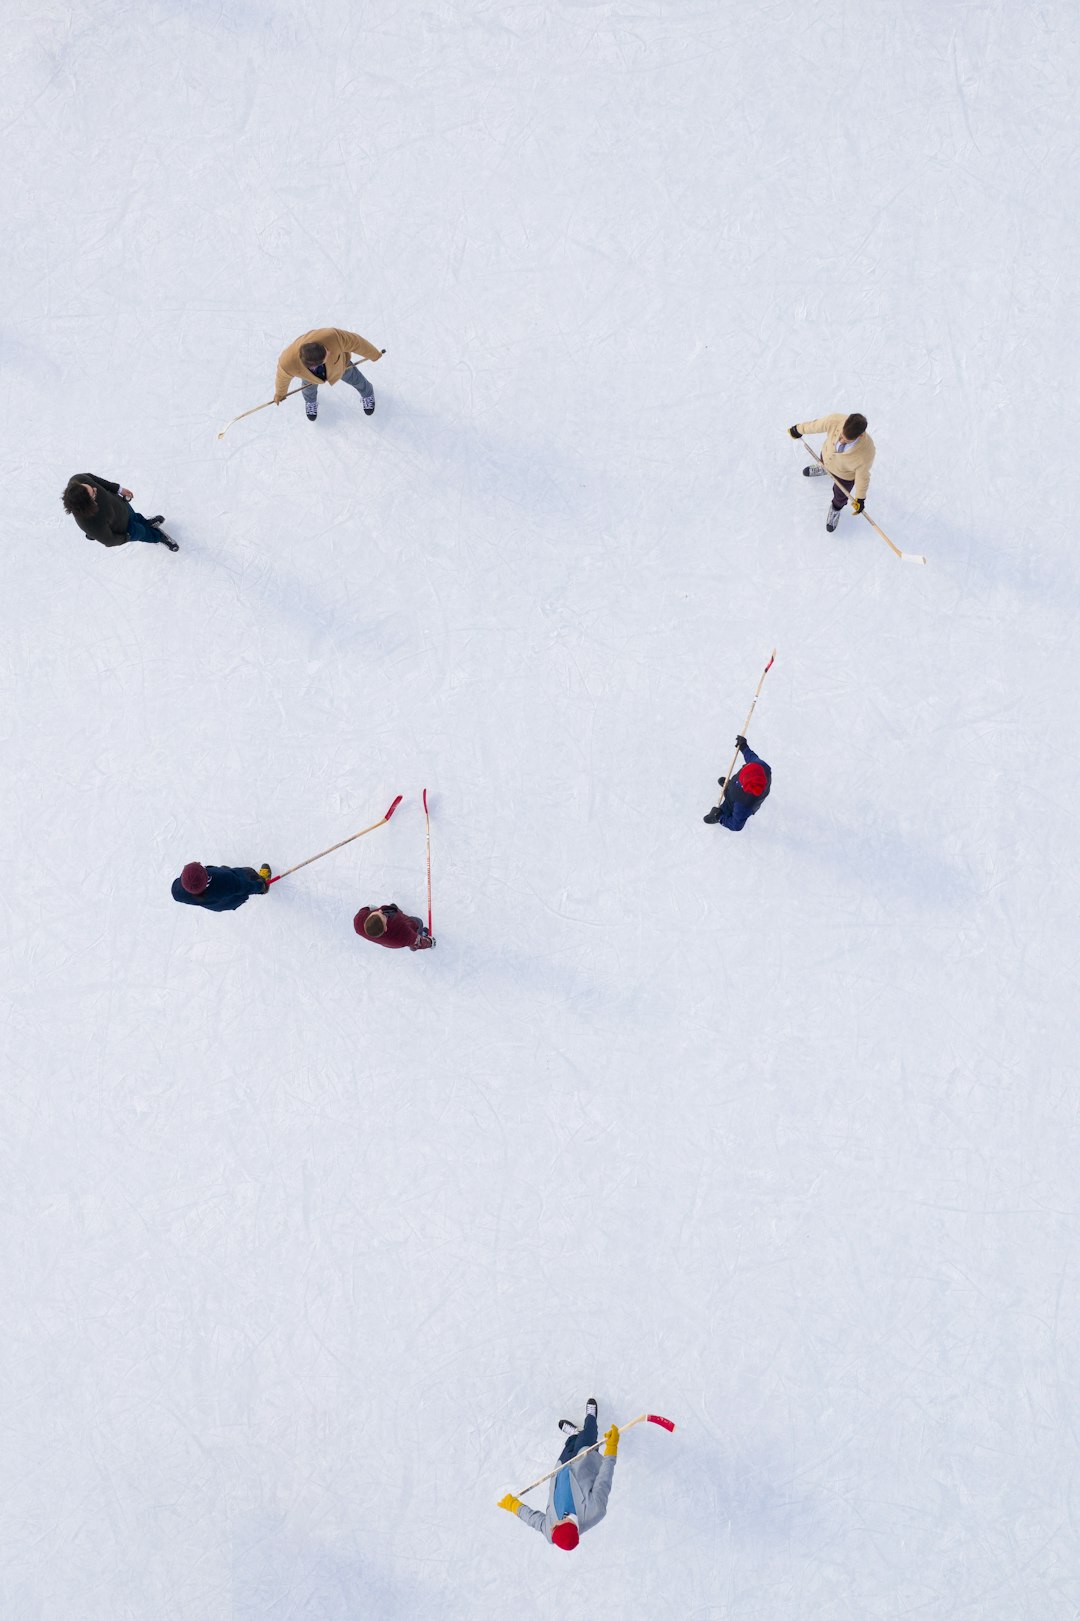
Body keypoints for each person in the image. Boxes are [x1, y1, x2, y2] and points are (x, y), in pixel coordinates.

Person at [498, 1399, 618, 1551]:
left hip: (561, 1468)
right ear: (568, 1526)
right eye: (556, 1527)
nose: (552, 1525)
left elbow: (533, 1519)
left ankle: (575, 1434)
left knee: (570, 1445)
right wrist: (612, 1448)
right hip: (585, 1461)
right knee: (588, 1435)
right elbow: (604, 1479)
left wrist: (513, 1505)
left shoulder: (551, 1533)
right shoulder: (595, 1512)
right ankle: (591, 1418)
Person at [274, 327, 385, 422]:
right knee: (308, 389)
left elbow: (356, 342)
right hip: (308, 375)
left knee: (355, 379)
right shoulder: (288, 362)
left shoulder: (332, 336)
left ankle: (367, 393)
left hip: (338, 365)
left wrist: (374, 354)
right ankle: (310, 402)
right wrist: (280, 393)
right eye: (326, 354)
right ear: (314, 365)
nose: (329, 352)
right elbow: (282, 378)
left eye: (325, 349)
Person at [788, 412, 875, 532]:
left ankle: (836, 509)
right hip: (827, 458)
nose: (841, 440)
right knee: (823, 461)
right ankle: (824, 468)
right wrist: (798, 429)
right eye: (841, 435)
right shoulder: (835, 420)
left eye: (846, 440)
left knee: (840, 496)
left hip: (844, 475)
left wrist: (860, 498)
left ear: (860, 436)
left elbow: (863, 476)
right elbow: (815, 425)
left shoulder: (866, 453)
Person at [61, 476, 179, 551]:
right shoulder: (90, 523)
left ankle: (147, 523)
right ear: (88, 503)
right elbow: (109, 540)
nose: (95, 489)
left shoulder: (79, 480)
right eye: (94, 493)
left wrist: (119, 489)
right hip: (125, 528)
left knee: (136, 517)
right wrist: (127, 536)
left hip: (122, 507)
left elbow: (94, 480)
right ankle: (159, 537)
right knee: (142, 532)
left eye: (92, 487)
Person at [704, 736, 771, 828]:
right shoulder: (761, 766)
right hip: (742, 790)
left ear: (743, 785)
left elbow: (736, 825)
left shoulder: (742, 804)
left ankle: (719, 815)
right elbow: (750, 757)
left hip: (736, 800)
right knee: (733, 785)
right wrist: (743, 746)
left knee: (727, 808)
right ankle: (730, 787)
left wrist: (719, 817)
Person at [171, 862, 272, 911]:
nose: (199, 862)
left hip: (218, 904)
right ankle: (262, 882)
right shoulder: (225, 881)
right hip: (232, 893)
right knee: (248, 873)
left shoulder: (177, 891)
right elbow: (245, 887)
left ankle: (225, 870)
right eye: (200, 865)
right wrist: (261, 886)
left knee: (225, 872)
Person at [353, 904, 435, 951]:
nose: (380, 911)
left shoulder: (358, 922)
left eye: (375, 914)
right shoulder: (402, 934)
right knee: (418, 922)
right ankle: (417, 939)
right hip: (404, 934)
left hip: (386, 940)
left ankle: (396, 910)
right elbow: (419, 942)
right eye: (383, 916)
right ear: (385, 928)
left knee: (392, 909)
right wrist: (430, 941)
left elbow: (368, 907)